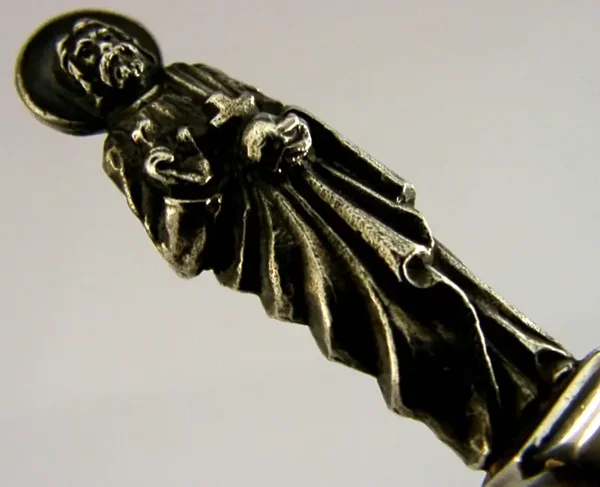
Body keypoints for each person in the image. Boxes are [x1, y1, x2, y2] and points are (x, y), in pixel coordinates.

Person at [16, 9, 577, 471]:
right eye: (89, 56)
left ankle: (538, 367)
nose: (111, 52)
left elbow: (269, 112)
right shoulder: (126, 145)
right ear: (84, 88)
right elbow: (183, 253)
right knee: (394, 325)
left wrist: (288, 131)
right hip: (287, 243)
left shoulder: (193, 73)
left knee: (428, 269)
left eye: (110, 39)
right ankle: (492, 428)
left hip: (328, 193)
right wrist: (187, 192)